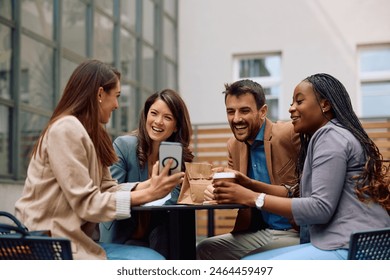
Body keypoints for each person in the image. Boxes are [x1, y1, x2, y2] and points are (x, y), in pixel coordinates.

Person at [14, 59, 184, 260]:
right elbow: (87, 203)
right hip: (51, 244)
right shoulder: (66, 129)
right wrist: (149, 194)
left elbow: (107, 188)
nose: (117, 105)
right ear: (100, 94)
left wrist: (148, 185)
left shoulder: (93, 134)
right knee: (154, 262)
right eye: (116, 96)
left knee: (158, 257)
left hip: (80, 241)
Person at [213, 73, 390, 260]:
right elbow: (296, 193)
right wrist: (249, 183)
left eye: (299, 102)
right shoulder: (329, 135)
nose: (291, 109)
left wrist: (253, 197)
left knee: (252, 267)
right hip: (355, 242)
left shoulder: (330, 136)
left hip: (354, 248)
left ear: (325, 104)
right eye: (292, 102)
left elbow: (320, 208)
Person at [196, 79, 301, 260]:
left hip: (296, 230)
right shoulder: (233, 145)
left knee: (249, 262)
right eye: (231, 112)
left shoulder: (288, 133)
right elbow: (236, 191)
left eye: (244, 111)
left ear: (263, 112)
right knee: (204, 248)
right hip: (260, 231)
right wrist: (214, 191)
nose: (236, 119)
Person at [99, 89, 194, 258]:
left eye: (168, 117)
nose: (158, 121)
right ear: (146, 116)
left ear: (176, 126)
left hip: (157, 235)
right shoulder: (124, 146)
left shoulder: (178, 158)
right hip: (122, 232)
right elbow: (110, 190)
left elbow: (175, 203)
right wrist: (150, 189)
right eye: (154, 113)